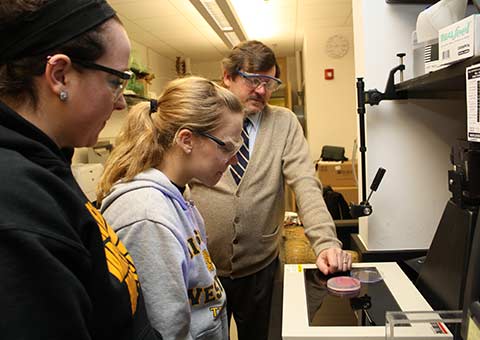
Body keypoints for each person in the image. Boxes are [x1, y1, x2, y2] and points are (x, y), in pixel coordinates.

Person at [0, 1, 161, 339]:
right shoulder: (17, 205)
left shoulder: (48, 163)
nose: (121, 103)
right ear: (60, 75)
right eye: (116, 82)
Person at [188, 40, 353, 340]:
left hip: (260, 268)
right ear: (227, 76)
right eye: (253, 80)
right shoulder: (200, 118)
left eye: (270, 82)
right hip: (203, 269)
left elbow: (305, 182)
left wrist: (326, 242)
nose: (263, 91)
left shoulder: (285, 122)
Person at [96, 76, 244, 340]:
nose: (233, 159)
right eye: (227, 147)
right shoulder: (147, 216)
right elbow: (166, 328)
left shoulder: (179, 193)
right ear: (186, 140)